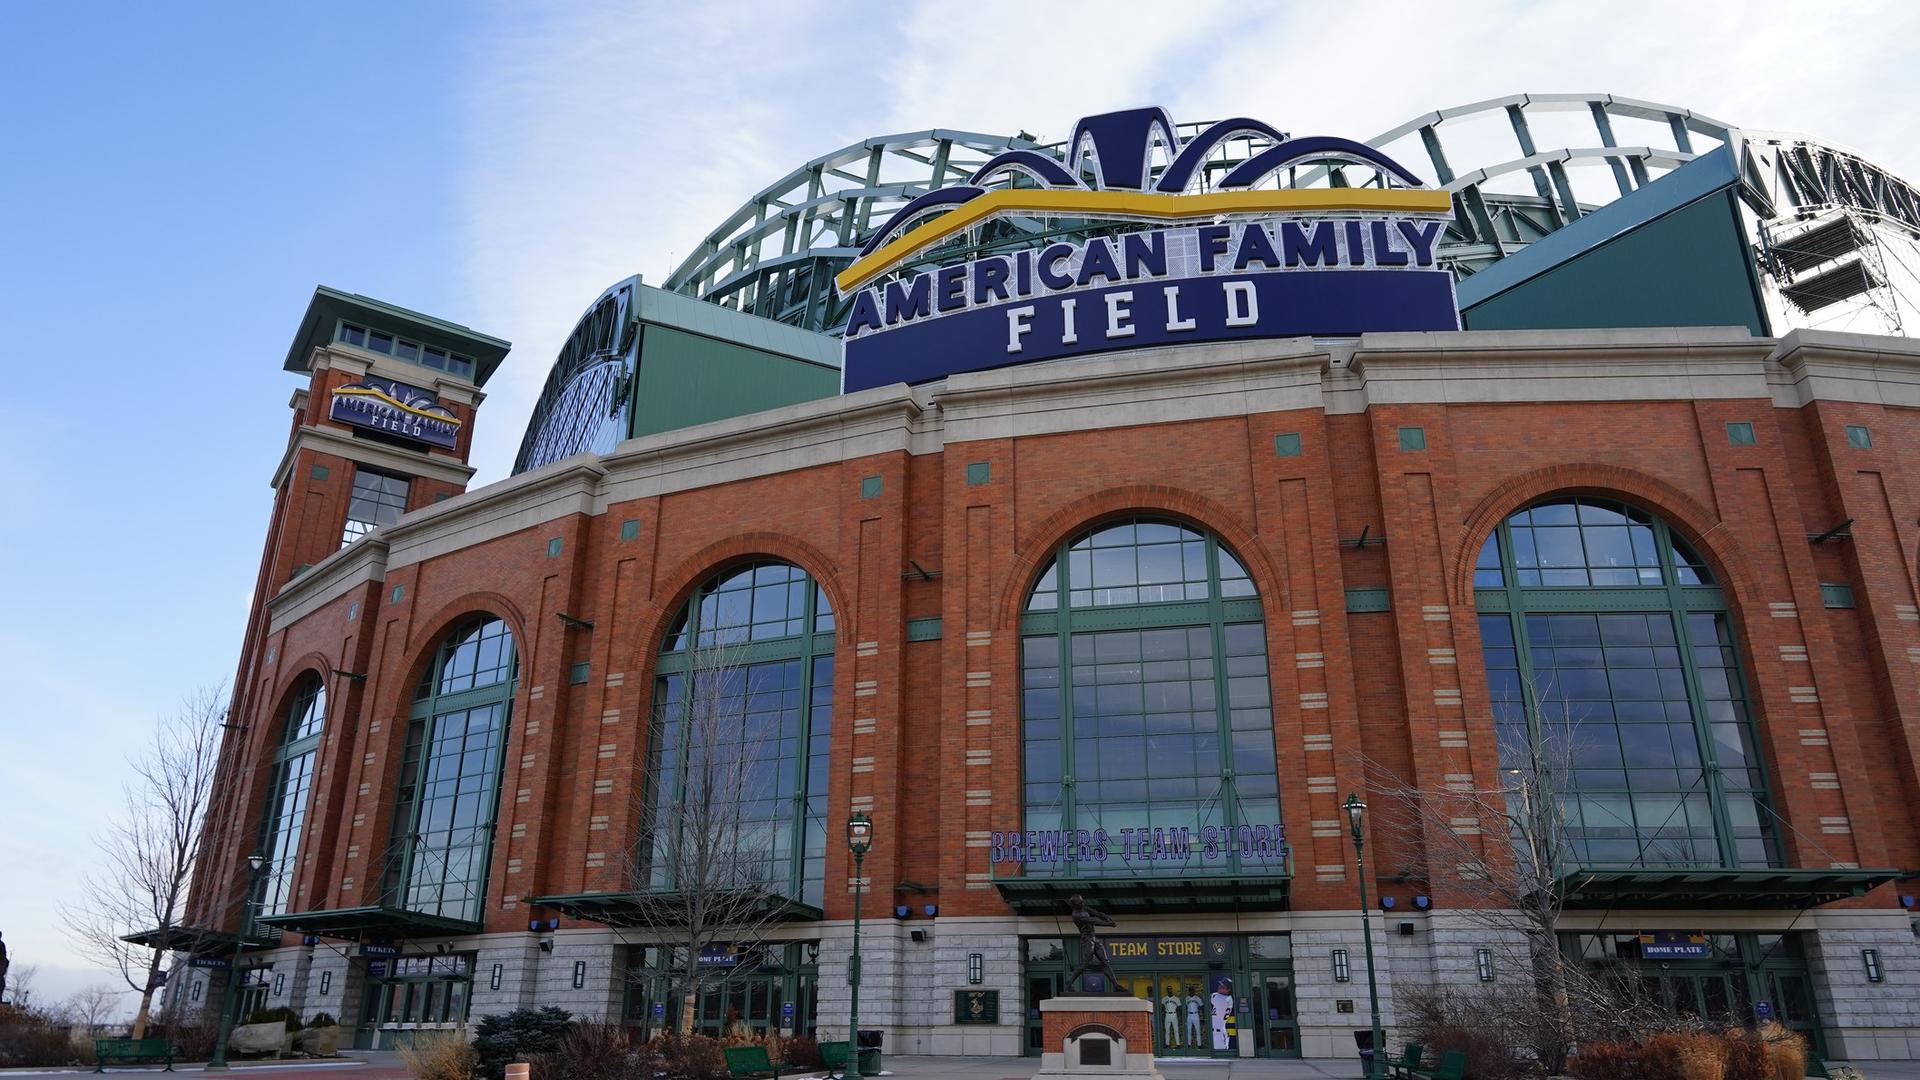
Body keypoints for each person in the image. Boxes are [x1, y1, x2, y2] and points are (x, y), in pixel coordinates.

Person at [1063, 895, 1118, 992]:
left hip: (1094, 938)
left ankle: (1116, 985)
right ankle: (1069, 982)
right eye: (1080, 902)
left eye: (1082, 901)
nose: (1082, 903)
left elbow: (1096, 913)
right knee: (1086, 963)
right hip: (1087, 939)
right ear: (1074, 905)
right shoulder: (1076, 915)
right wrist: (1108, 924)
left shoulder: (1084, 908)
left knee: (1105, 962)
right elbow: (1093, 921)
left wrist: (1106, 917)